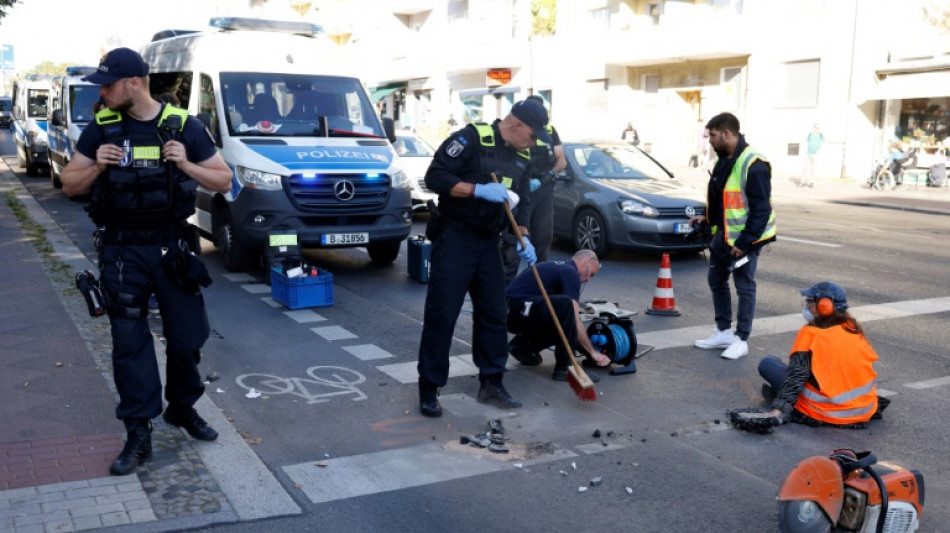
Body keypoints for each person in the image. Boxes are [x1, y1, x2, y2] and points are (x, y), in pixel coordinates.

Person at [60, 48, 232, 476]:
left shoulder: (184, 126)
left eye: (107, 85)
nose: (101, 92)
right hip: (122, 253)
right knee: (129, 343)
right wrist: (97, 167)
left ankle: (181, 408)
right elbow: (69, 184)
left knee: (188, 338)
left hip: (173, 249)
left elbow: (224, 180)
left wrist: (186, 163)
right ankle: (138, 431)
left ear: (133, 83)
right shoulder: (101, 128)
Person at [416, 98, 549, 418]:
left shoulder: (522, 157)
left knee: (494, 313)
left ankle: (492, 383)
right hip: (456, 237)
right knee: (442, 314)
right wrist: (476, 190)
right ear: (516, 124)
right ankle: (430, 388)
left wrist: (524, 236)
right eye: (533, 135)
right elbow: (435, 177)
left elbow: (523, 202)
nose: (533, 143)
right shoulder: (471, 139)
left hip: (490, 242)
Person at [735, 282, 886, 429]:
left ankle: (787, 399)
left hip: (824, 412)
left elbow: (797, 374)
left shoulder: (811, 334)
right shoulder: (852, 328)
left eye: (809, 301)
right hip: (863, 410)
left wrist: (778, 410)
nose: (806, 305)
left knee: (768, 364)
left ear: (824, 305)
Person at [690, 112, 776, 360]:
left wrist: (745, 242)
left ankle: (741, 339)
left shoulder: (754, 163)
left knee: (744, 287)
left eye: (713, 135)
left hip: (744, 241)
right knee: (716, 280)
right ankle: (723, 332)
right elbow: (722, 198)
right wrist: (707, 219)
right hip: (723, 236)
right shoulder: (724, 159)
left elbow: (761, 210)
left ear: (726, 134)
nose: (709, 140)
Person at [505, 250, 611, 381]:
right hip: (514, 310)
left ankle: (523, 346)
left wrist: (590, 354)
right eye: (591, 274)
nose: (587, 279)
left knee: (561, 316)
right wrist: (592, 352)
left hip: (514, 311)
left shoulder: (559, 268)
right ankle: (564, 368)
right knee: (566, 306)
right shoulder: (570, 272)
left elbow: (569, 327)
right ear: (586, 264)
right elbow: (574, 320)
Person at [500, 95, 566, 282]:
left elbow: (561, 160)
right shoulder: (514, 131)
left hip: (543, 189)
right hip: (520, 187)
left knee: (542, 238)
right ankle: (507, 286)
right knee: (513, 238)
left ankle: (536, 284)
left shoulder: (550, 131)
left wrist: (549, 175)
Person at [801, 123, 824, 187]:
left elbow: (824, 142)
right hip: (808, 153)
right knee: (805, 168)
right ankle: (802, 182)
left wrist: (819, 149)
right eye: (816, 128)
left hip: (815, 154)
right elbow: (806, 141)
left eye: (818, 128)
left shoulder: (820, 135)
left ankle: (811, 182)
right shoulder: (810, 134)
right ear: (814, 128)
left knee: (813, 169)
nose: (817, 129)